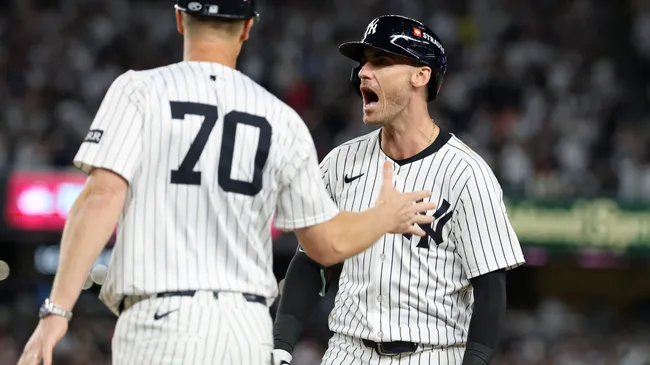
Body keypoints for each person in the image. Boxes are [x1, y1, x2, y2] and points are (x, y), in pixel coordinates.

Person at [16, 4, 438, 365]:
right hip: (246, 331)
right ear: (248, 26)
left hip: (160, 323)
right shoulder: (281, 118)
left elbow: (102, 196)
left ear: (180, 18)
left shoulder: (139, 91)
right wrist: (384, 216)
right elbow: (326, 244)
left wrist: (57, 311)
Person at [272, 14, 526, 365]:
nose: (362, 72)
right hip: (347, 351)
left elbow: (490, 290)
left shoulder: (467, 174)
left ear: (421, 75)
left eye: (381, 61)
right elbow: (309, 261)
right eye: (363, 63)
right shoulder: (339, 163)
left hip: (432, 354)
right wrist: (282, 345)